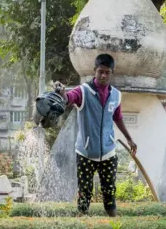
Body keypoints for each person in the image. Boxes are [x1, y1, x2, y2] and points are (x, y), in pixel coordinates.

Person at [55, 53, 137, 217]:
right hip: (85, 152)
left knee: (110, 193)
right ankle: (82, 222)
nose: (103, 75)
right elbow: (69, 99)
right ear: (95, 71)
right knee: (84, 194)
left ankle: (115, 224)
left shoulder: (115, 95)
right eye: (100, 71)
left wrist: (129, 139)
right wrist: (62, 93)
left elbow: (117, 117)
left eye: (107, 72)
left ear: (112, 73)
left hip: (108, 152)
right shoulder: (83, 91)